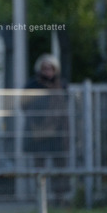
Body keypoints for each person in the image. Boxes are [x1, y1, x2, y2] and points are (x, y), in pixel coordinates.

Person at [22, 53, 70, 199]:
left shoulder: (62, 86)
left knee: (60, 167)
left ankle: (60, 197)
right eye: (45, 68)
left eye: (50, 68)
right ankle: (40, 198)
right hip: (38, 133)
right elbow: (23, 105)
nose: (47, 71)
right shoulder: (32, 86)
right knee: (39, 167)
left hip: (58, 133)